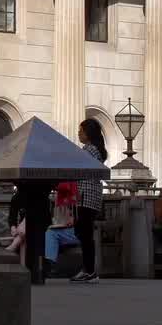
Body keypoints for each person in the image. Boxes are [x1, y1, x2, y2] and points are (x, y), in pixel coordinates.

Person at [70, 118, 107, 284]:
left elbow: (77, 168)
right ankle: (87, 269)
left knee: (85, 233)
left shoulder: (89, 150)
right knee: (83, 232)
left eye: (81, 131)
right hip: (88, 195)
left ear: (88, 133)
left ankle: (89, 270)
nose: (79, 134)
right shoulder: (94, 150)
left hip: (87, 195)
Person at [42, 182, 78, 277]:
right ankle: (49, 265)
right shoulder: (64, 198)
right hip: (67, 231)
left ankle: (49, 265)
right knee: (49, 233)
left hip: (77, 232)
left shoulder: (75, 198)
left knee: (51, 233)